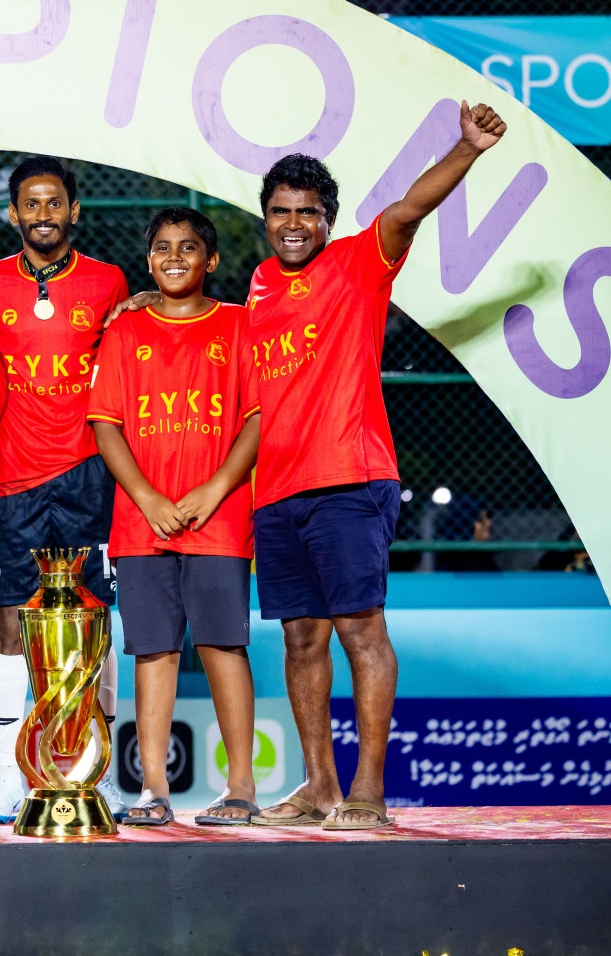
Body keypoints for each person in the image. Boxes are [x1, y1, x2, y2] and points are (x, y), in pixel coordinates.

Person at [236, 102, 507, 829]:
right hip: (277, 493)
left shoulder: (359, 260)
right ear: (266, 216)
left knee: (361, 632)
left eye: (309, 211)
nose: (295, 222)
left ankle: (369, 794)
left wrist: (466, 149)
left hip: (350, 481)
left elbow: (413, 205)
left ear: (329, 218)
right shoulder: (258, 285)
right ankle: (320, 787)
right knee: (301, 640)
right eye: (281, 210)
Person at [0, 156, 134, 822]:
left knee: (94, 618)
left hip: (89, 470)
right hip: (14, 478)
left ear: (74, 211)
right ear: (14, 213)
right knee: (12, 619)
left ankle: (99, 773)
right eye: (31, 204)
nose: (43, 215)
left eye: (54, 203)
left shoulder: (107, 279)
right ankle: (8, 777)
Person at [87, 208, 262, 827]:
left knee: (222, 645)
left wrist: (214, 490)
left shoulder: (240, 325)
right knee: (153, 653)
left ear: (211, 260)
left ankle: (241, 788)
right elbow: (106, 425)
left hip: (218, 518)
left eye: (189, 247)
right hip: (143, 523)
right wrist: (148, 499)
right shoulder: (126, 331)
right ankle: (152, 792)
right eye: (162, 247)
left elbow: (257, 419)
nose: (175, 257)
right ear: (149, 259)